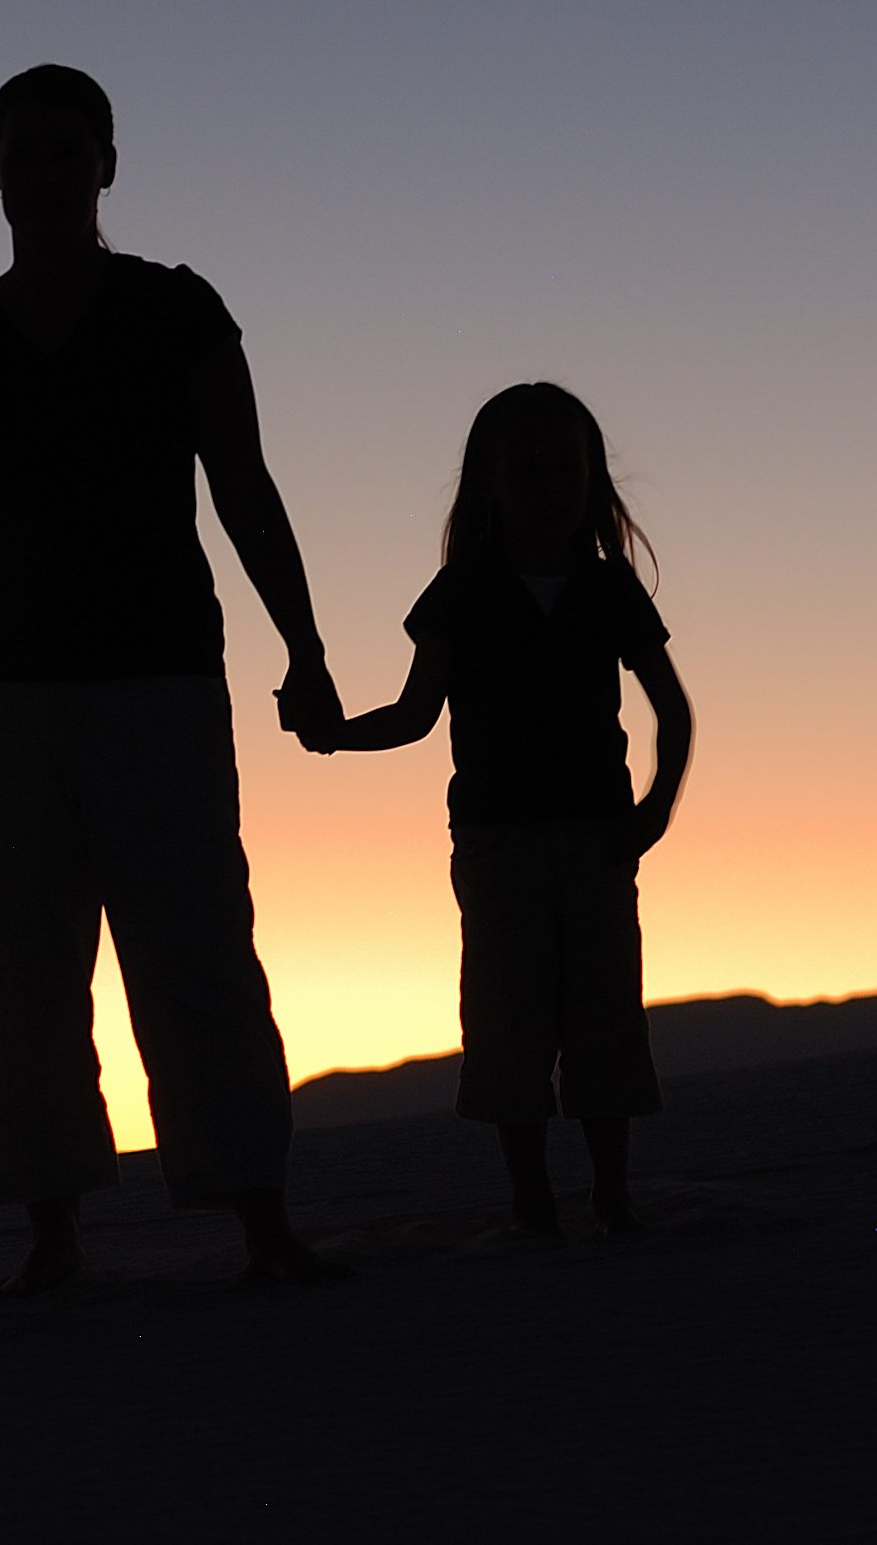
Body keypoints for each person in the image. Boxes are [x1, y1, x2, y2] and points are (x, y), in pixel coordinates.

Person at [0, 64, 348, 1291]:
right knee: (12, 966)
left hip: (154, 674)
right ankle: (52, 1232)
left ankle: (257, 1217)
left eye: (69, 150)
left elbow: (242, 484)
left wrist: (306, 647)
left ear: (106, 165)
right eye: (24, 150)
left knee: (195, 945)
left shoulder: (173, 311)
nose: (47, 170)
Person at [302, 382, 692, 1236]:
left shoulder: (607, 588)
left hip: (596, 833)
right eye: (530, 467)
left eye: (567, 466)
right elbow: (415, 714)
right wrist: (335, 735)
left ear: (591, 478)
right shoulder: (463, 590)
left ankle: (611, 1193)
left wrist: (655, 808)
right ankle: (532, 1197)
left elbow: (673, 705)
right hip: (498, 836)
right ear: (490, 479)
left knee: (603, 1011)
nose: (550, 483)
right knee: (509, 1016)